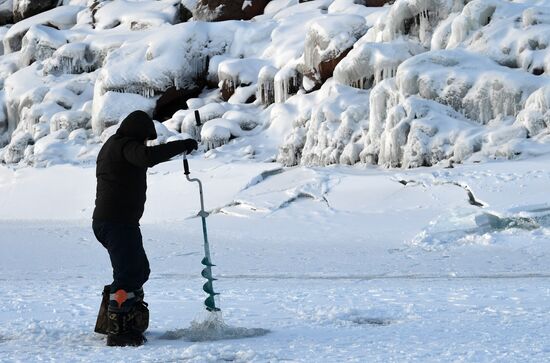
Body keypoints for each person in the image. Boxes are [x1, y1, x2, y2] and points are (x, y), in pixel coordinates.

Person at [92, 110, 198, 347]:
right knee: (129, 274)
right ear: (138, 133)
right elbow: (146, 156)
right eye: (145, 138)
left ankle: (120, 321)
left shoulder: (115, 145)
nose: (145, 142)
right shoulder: (124, 145)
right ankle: (119, 332)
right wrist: (181, 145)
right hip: (116, 222)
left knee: (139, 270)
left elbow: (142, 156)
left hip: (119, 222)